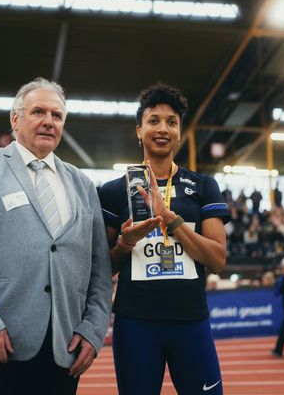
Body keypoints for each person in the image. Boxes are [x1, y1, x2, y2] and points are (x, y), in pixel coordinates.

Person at [0, 77, 112, 395]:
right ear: (15, 118)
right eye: (38, 112)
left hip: (64, 351)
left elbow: (100, 272)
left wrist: (93, 331)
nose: (48, 121)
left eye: (57, 115)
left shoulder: (84, 184)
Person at [98, 83, 230, 394]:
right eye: (153, 120)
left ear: (180, 133)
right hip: (135, 323)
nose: (162, 128)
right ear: (139, 130)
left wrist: (172, 221)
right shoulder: (113, 190)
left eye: (171, 122)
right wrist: (125, 244)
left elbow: (217, 260)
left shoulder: (202, 186)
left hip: (191, 321)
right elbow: (100, 269)